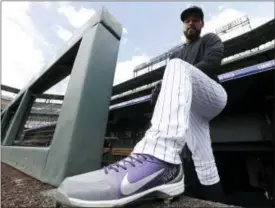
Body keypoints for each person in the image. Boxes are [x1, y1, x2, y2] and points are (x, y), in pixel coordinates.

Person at [55, 6, 228, 207]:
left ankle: (162, 158)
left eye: (196, 19)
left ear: (202, 24)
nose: (191, 22)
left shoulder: (209, 40)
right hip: (190, 109)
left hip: (211, 95)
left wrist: (169, 81)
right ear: (183, 25)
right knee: (205, 164)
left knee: (178, 67)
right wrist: (161, 88)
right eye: (187, 20)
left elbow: (213, 62)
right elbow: (174, 87)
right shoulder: (177, 54)